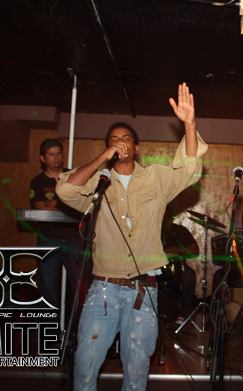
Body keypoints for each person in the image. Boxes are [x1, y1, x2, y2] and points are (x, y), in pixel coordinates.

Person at [55, 83, 207, 391]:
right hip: (103, 290)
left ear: (136, 148)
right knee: (84, 368)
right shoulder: (97, 184)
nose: (120, 143)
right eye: (113, 140)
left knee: (137, 374)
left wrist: (190, 124)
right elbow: (65, 190)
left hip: (143, 290)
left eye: (125, 139)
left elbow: (190, 170)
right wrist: (103, 159)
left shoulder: (156, 178)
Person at [30, 138, 80, 319]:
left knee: (79, 285)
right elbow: (40, 208)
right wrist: (63, 203)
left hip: (74, 238)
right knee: (48, 287)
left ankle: (77, 328)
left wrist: (53, 203)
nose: (56, 157)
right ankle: (51, 330)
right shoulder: (37, 181)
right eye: (51, 154)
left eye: (59, 153)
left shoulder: (73, 176)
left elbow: (79, 205)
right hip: (48, 239)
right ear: (43, 158)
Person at [161, 206, 198, 325]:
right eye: (163, 216)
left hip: (178, 265)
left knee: (189, 275)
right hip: (158, 265)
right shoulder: (154, 231)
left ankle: (183, 312)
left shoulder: (179, 231)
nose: (166, 219)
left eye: (168, 216)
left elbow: (195, 250)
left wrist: (178, 249)